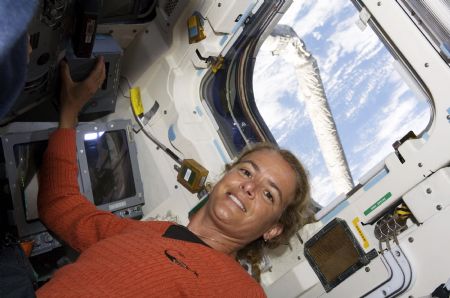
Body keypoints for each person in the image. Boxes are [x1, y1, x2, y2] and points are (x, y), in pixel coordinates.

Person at [36, 58, 312, 297]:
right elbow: (60, 205)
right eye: (246, 171)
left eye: (268, 194)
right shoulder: (150, 231)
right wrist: (69, 113)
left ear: (273, 229)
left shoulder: (242, 291)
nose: (250, 186)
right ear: (225, 176)